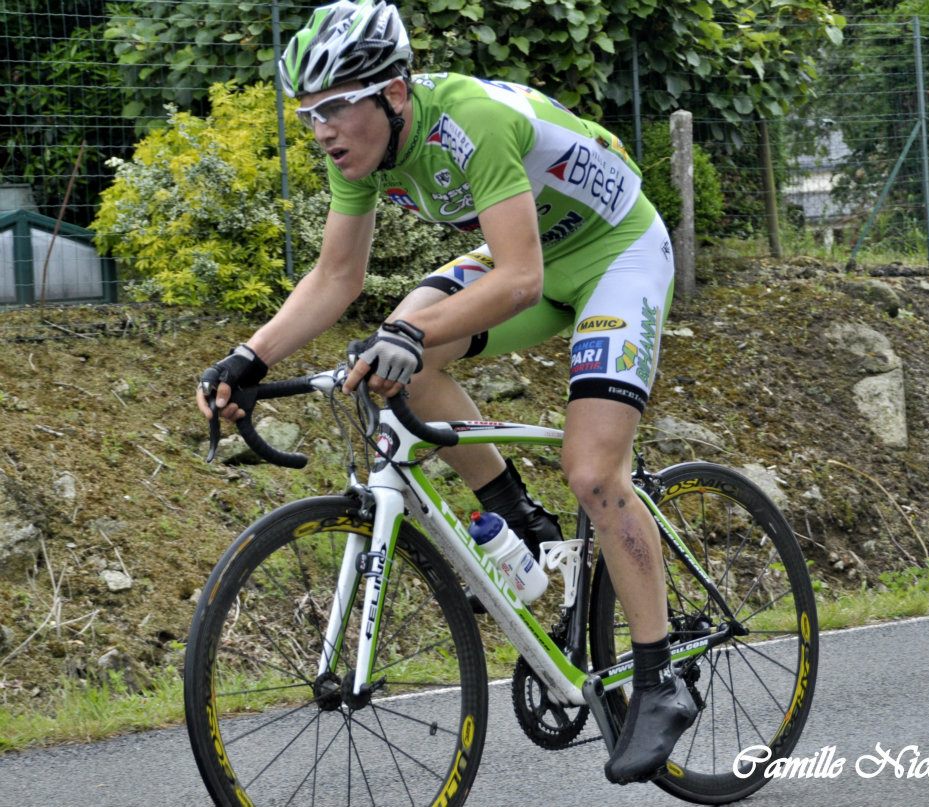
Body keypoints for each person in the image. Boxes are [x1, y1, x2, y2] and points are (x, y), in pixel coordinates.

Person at [196, 0, 696, 784]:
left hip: (615, 255)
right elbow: (337, 275)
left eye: (334, 108)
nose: (321, 129)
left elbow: (519, 276)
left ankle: (659, 677)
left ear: (393, 92)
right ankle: (520, 521)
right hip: (537, 260)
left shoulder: (468, 119)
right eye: (309, 112)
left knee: (595, 471)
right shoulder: (355, 149)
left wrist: (413, 332)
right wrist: (247, 358)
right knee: (399, 354)